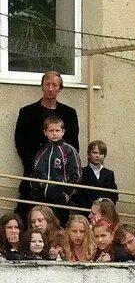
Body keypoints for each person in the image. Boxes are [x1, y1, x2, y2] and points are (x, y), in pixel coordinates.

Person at [14, 71, 80, 215]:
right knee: (27, 218)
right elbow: (20, 143)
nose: (50, 88)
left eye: (54, 85)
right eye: (47, 84)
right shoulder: (27, 112)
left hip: (60, 183)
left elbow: (74, 146)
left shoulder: (69, 113)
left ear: (60, 88)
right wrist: (37, 167)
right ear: (42, 86)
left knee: (58, 222)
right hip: (33, 178)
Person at [32, 115, 81, 212]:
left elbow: (76, 176)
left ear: (63, 132)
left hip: (61, 201)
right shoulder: (41, 151)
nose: (54, 133)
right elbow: (34, 173)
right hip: (42, 200)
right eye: (51, 131)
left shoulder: (69, 151)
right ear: (45, 132)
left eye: (57, 130)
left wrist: (66, 196)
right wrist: (37, 193)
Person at [73, 140, 118, 210]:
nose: (97, 156)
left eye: (101, 153)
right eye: (95, 152)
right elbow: (78, 193)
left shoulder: (109, 173)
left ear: (104, 155)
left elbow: (113, 194)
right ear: (88, 154)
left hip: (104, 212)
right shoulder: (81, 172)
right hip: (86, 211)